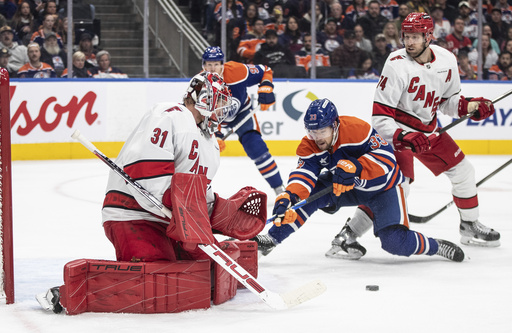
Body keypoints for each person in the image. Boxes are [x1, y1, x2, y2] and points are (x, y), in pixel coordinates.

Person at [36, 72, 267, 314]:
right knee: (160, 281)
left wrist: (221, 211)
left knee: (207, 273)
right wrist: (187, 214)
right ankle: (69, 291)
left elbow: (196, 195)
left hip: (173, 223)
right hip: (134, 215)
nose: (222, 110)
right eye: (219, 102)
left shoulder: (210, 144)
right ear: (203, 98)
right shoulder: (169, 115)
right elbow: (148, 177)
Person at [250, 98, 465, 263]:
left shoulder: (356, 130)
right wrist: (289, 195)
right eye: (312, 131)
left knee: (395, 243)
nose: (317, 137)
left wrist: (358, 167)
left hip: (384, 188)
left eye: (322, 131)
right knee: (308, 197)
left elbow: (388, 162)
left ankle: (436, 246)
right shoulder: (310, 144)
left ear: (335, 125)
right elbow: (304, 174)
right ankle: (272, 239)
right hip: (346, 186)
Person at [367, 12, 500, 249]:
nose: (409, 42)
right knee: (396, 187)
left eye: (415, 37)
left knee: (464, 171)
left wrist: (469, 106)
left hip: (429, 131)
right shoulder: (396, 64)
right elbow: (380, 117)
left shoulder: (447, 60)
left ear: (429, 36)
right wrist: (403, 136)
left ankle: (469, 225)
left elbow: (448, 101)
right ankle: (348, 234)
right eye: (406, 36)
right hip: (398, 134)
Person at [201, 46, 285, 195]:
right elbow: (202, 114)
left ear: (222, 64)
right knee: (205, 154)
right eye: (208, 64)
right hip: (215, 119)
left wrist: (266, 88)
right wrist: (216, 135)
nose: (212, 68)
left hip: (242, 113)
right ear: (203, 66)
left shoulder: (237, 71)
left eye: (216, 64)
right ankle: (198, 192)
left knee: (255, 146)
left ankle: (280, 190)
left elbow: (265, 70)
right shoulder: (200, 84)